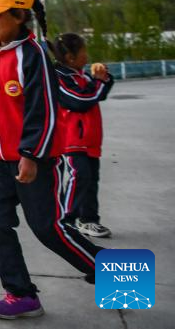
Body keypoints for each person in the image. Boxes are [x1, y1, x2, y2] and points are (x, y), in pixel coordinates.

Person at [0, 0, 101, 320]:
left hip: (34, 163)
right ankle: (21, 294)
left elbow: (42, 109)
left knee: (49, 229)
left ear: (18, 15)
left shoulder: (34, 56)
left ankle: (117, 274)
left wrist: (30, 155)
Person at [53, 33, 115, 238]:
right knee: (79, 176)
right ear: (70, 57)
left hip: (90, 140)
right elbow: (80, 100)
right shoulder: (59, 78)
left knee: (91, 179)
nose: (86, 56)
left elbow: (98, 94)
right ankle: (66, 220)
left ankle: (88, 220)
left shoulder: (82, 75)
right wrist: (98, 82)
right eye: (83, 52)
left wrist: (104, 79)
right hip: (71, 140)